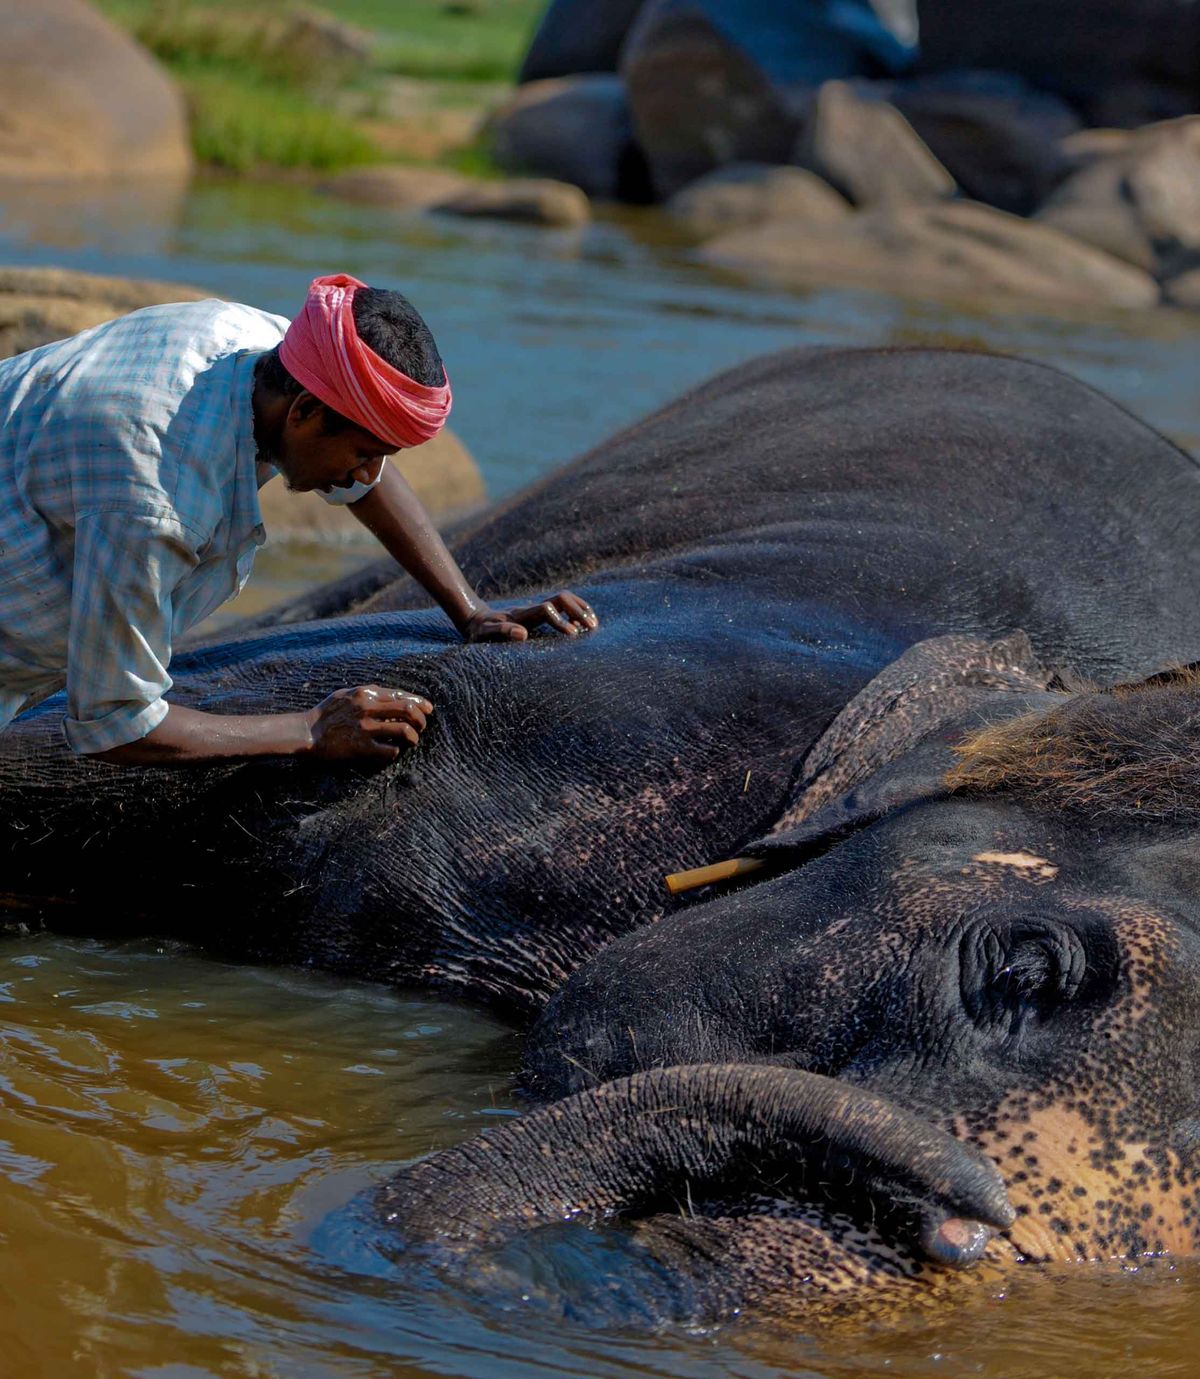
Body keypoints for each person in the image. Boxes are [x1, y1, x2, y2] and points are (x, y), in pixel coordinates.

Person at [0, 273, 597, 767]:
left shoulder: (262, 346)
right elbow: (114, 723)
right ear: (307, 412)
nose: (369, 475)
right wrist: (311, 729)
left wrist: (474, 611)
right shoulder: (157, 497)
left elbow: (367, 482)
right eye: (365, 453)